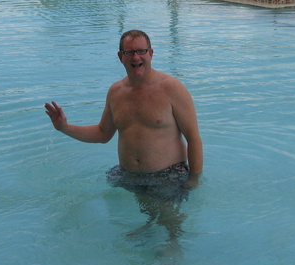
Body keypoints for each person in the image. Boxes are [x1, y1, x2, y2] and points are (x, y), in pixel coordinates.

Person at [45, 29, 203, 187]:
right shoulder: (116, 92)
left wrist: (194, 179)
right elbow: (102, 133)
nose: (136, 57)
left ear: (151, 54)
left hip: (167, 175)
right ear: (121, 57)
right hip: (127, 175)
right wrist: (64, 127)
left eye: (141, 51)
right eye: (129, 52)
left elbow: (193, 138)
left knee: (164, 212)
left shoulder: (172, 88)